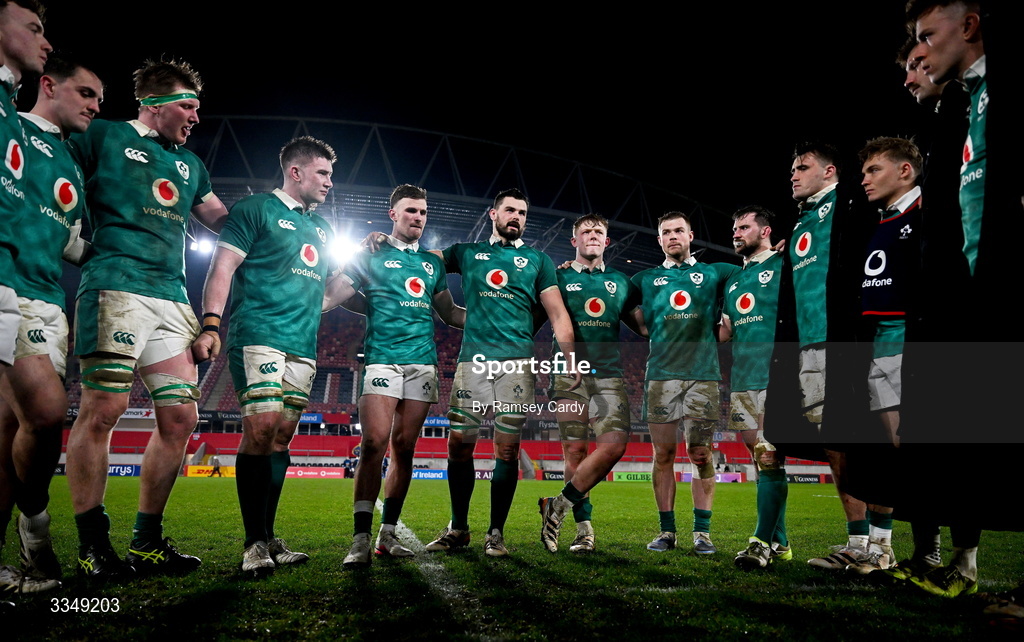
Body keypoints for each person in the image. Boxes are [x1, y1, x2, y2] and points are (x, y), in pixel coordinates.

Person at [65, 58, 229, 579]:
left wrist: (277, 217)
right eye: (187, 106)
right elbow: (54, 176)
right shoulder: (103, 136)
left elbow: (223, 221)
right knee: (104, 408)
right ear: (153, 104)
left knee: (181, 418)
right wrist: (70, 242)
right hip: (115, 287)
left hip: (172, 298)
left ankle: (146, 542)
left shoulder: (190, 165)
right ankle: (93, 546)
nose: (195, 117)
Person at [406, 188, 579, 557]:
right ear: (493, 214)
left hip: (516, 364)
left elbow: (558, 313)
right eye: (510, 210)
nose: (516, 216)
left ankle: (495, 533)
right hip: (473, 363)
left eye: (522, 212)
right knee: (459, 444)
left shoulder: (537, 259)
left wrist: (568, 357)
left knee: (507, 450)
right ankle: (459, 527)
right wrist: (384, 242)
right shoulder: (466, 253)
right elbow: (420, 258)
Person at [192, 136, 337, 574]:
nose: (330, 182)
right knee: (261, 430)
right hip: (258, 335)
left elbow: (324, 296)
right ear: (296, 172)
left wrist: (367, 272)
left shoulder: (324, 230)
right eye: (323, 173)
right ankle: (253, 543)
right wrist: (212, 322)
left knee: (281, 438)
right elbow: (222, 268)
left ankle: (271, 537)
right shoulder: (255, 210)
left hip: (303, 345)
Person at [325, 184, 464, 568]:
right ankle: (359, 538)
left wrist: (495, 321)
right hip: (382, 359)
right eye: (410, 211)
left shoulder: (432, 264)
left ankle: (387, 535)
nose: (417, 218)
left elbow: (450, 314)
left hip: (422, 363)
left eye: (422, 212)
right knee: (373, 442)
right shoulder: (370, 252)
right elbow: (336, 295)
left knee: (405, 448)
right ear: (393, 214)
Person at [766, 142, 874, 571]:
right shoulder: (802, 224)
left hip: (846, 345)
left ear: (830, 171)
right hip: (808, 351)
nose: (793, 174)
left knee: (868, 442)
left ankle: (881, 545)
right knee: (835, 445)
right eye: (791, 168)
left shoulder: (851, 206)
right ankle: (859, 541)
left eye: (802, 167)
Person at [0, 0, 62, 595]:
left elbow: (65, 237)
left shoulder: (9, 113)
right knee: (44, 412)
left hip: (26, 285)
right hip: (7, 283)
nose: (45, 41)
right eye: (35, 29)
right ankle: (36, 529)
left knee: (8, 429)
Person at [630, 212, 738, 554]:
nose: (673, 236)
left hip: (703, 376)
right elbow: (619, 307)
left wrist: (727, 327)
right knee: (662, 453)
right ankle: (666, 532)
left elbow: (752, 280)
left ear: (691, 235)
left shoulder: (714, 272)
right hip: (660, 376)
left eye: (679, 230)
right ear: (659, 239)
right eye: (666, 232)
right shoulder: (644, 278)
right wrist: (646, 330)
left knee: (700, 452)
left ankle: (702, 533)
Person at [537, 214, 643, 554]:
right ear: (575, 241)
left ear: (607, 241)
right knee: (575, 451)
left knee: (615, 445)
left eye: (599, 231)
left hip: (609, 375)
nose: (593, 235)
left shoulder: (621, 283)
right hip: (568, 373)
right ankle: (584, 530)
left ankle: (556, 505)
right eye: (586, 231)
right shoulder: (558, 276)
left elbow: (642, 326)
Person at [844, 137, 924, 576]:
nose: (865, 179)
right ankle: (882, 547)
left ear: (905, 170)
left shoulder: (928, 215)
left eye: (874, 170)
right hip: (876, 344)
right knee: (884, 451)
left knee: (906, 449)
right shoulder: (880, 223)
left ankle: (935, 554)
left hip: (907, 343)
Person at [719, 206, 792, 570]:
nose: (736, 232)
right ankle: (782, 542)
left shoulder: (784, 264)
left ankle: (760, 542)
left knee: (768, 456)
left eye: (744, 227)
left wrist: (791, 249)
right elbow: (726, 332)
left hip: (774, 376)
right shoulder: (734, 281)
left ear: (765, 231)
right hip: (742, 380)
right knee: (761, 461)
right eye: (734, 228)